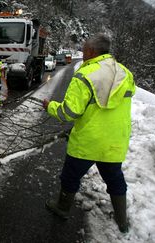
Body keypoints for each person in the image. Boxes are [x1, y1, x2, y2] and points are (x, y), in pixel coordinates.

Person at [42, 34, 136, 233]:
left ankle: (62, 208)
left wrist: (50, 106)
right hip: (115, 141)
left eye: (84, 49)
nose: (83, 53)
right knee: (115, 179)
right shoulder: (125, 73)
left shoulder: (85, 75)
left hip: (88, 142)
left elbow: (69, 112)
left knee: (70, 177)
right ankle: (122, 220)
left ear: (92, 52)